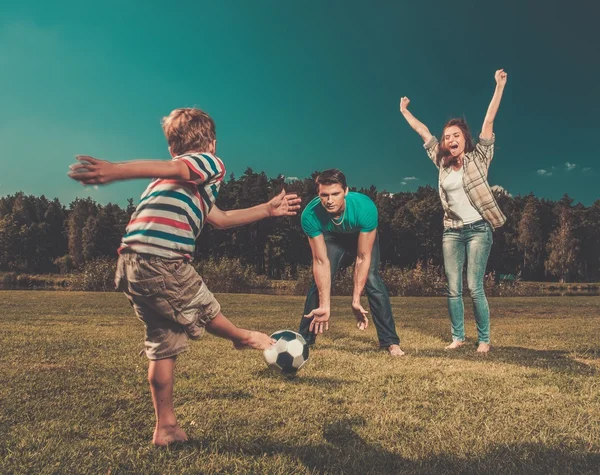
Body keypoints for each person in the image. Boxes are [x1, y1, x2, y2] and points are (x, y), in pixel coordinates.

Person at [68, 107, 301, 446]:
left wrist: (266, 209)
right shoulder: (209, 162)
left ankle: (166, 427)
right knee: (201, 303)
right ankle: (243, 337)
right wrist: (114, 171)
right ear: (212, 143)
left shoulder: (173, 183)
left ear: (171, 146)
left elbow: (218, 218)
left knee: (163, 346)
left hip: (132, 265)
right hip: (162, 260)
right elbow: (181, 167)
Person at [399, 69, 508, 353]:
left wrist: (498, 87)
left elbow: (489, 119)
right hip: (452, 231)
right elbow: (423, 131)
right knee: (453, 288)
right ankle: (457, 337)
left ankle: (483, 339)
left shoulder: (480, 157)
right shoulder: (442, 163)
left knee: (474, 285)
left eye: (455, 135)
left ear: (464, 138)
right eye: (447, 137)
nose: (450, 140)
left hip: (479, 230)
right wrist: (404, 111)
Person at [299, 169, 404, 356]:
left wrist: (356, 300)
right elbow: (321, 261)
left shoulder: (365, 208)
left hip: (360, 236)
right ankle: (304, 340)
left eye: (335, 194)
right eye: (324, 195)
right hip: (332, 238)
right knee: (319, 281)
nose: (329, 200)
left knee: (372, 279)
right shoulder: (310, 215)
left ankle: (390, 342)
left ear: (346, 191)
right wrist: (325, 305)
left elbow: (362, 257)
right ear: (318, 194)